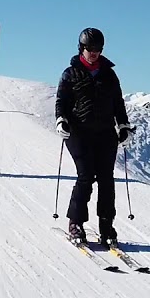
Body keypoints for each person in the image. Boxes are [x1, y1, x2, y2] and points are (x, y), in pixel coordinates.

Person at [55, 27, 134, 245]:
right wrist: (61, 119)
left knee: (107, 178)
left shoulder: (109, 74)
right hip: (78, 133)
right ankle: (76, 223)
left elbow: (118, 103)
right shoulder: (70, 73)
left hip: (105, 133)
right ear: (81, 48)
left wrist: (123, 126)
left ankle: (106, 226)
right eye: (90, 48)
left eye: (98, 48)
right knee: (86, 175)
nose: (94, 52)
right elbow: (61, 101)